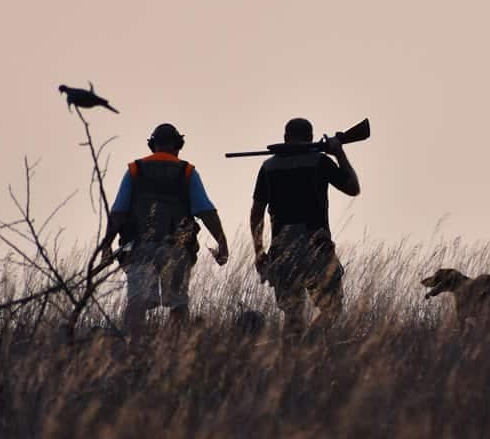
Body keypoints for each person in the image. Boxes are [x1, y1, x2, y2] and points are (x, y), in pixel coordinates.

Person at [97, 123, 229, 330]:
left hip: (139, 248)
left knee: (137, 303)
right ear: (178, 146)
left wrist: (106, 246)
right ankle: (176, 344)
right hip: (176, 249)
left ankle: (132, 343)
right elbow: (206, 212)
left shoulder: (135, 170)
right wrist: (222, 243)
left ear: (153, 145)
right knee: (177, 304)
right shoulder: (187, 172)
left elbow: (118, 213)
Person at [250, 118, 360, 341]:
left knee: (292, 315)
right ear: (310, 138)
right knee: (332, 308)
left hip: (282, 251)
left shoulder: (269, 167)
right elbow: (352, 188)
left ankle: (292, 355)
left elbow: (256, 213)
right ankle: (309, 344)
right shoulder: (320, 162)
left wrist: (259, 251)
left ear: (285, 138)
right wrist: (338, 152)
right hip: (317, 248)